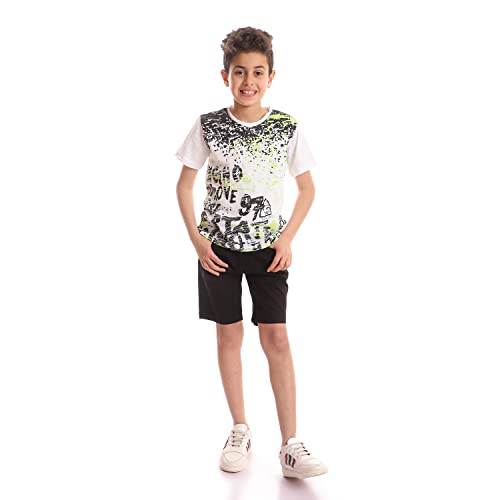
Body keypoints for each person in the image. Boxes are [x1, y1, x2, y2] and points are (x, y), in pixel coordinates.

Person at [175, 26, 328, 480]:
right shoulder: (209, 125)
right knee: (229, 334)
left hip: (268, 251)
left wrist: (287, 238)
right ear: (225, 76)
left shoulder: (285, 128)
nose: (249, 81)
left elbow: (307, 189)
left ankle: (291, 444)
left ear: (271, 76)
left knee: (276, 337)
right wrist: (197, 240)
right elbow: (184, 186)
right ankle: (239, 428)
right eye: (240, 71)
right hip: (217, 250)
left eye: (258, 72)